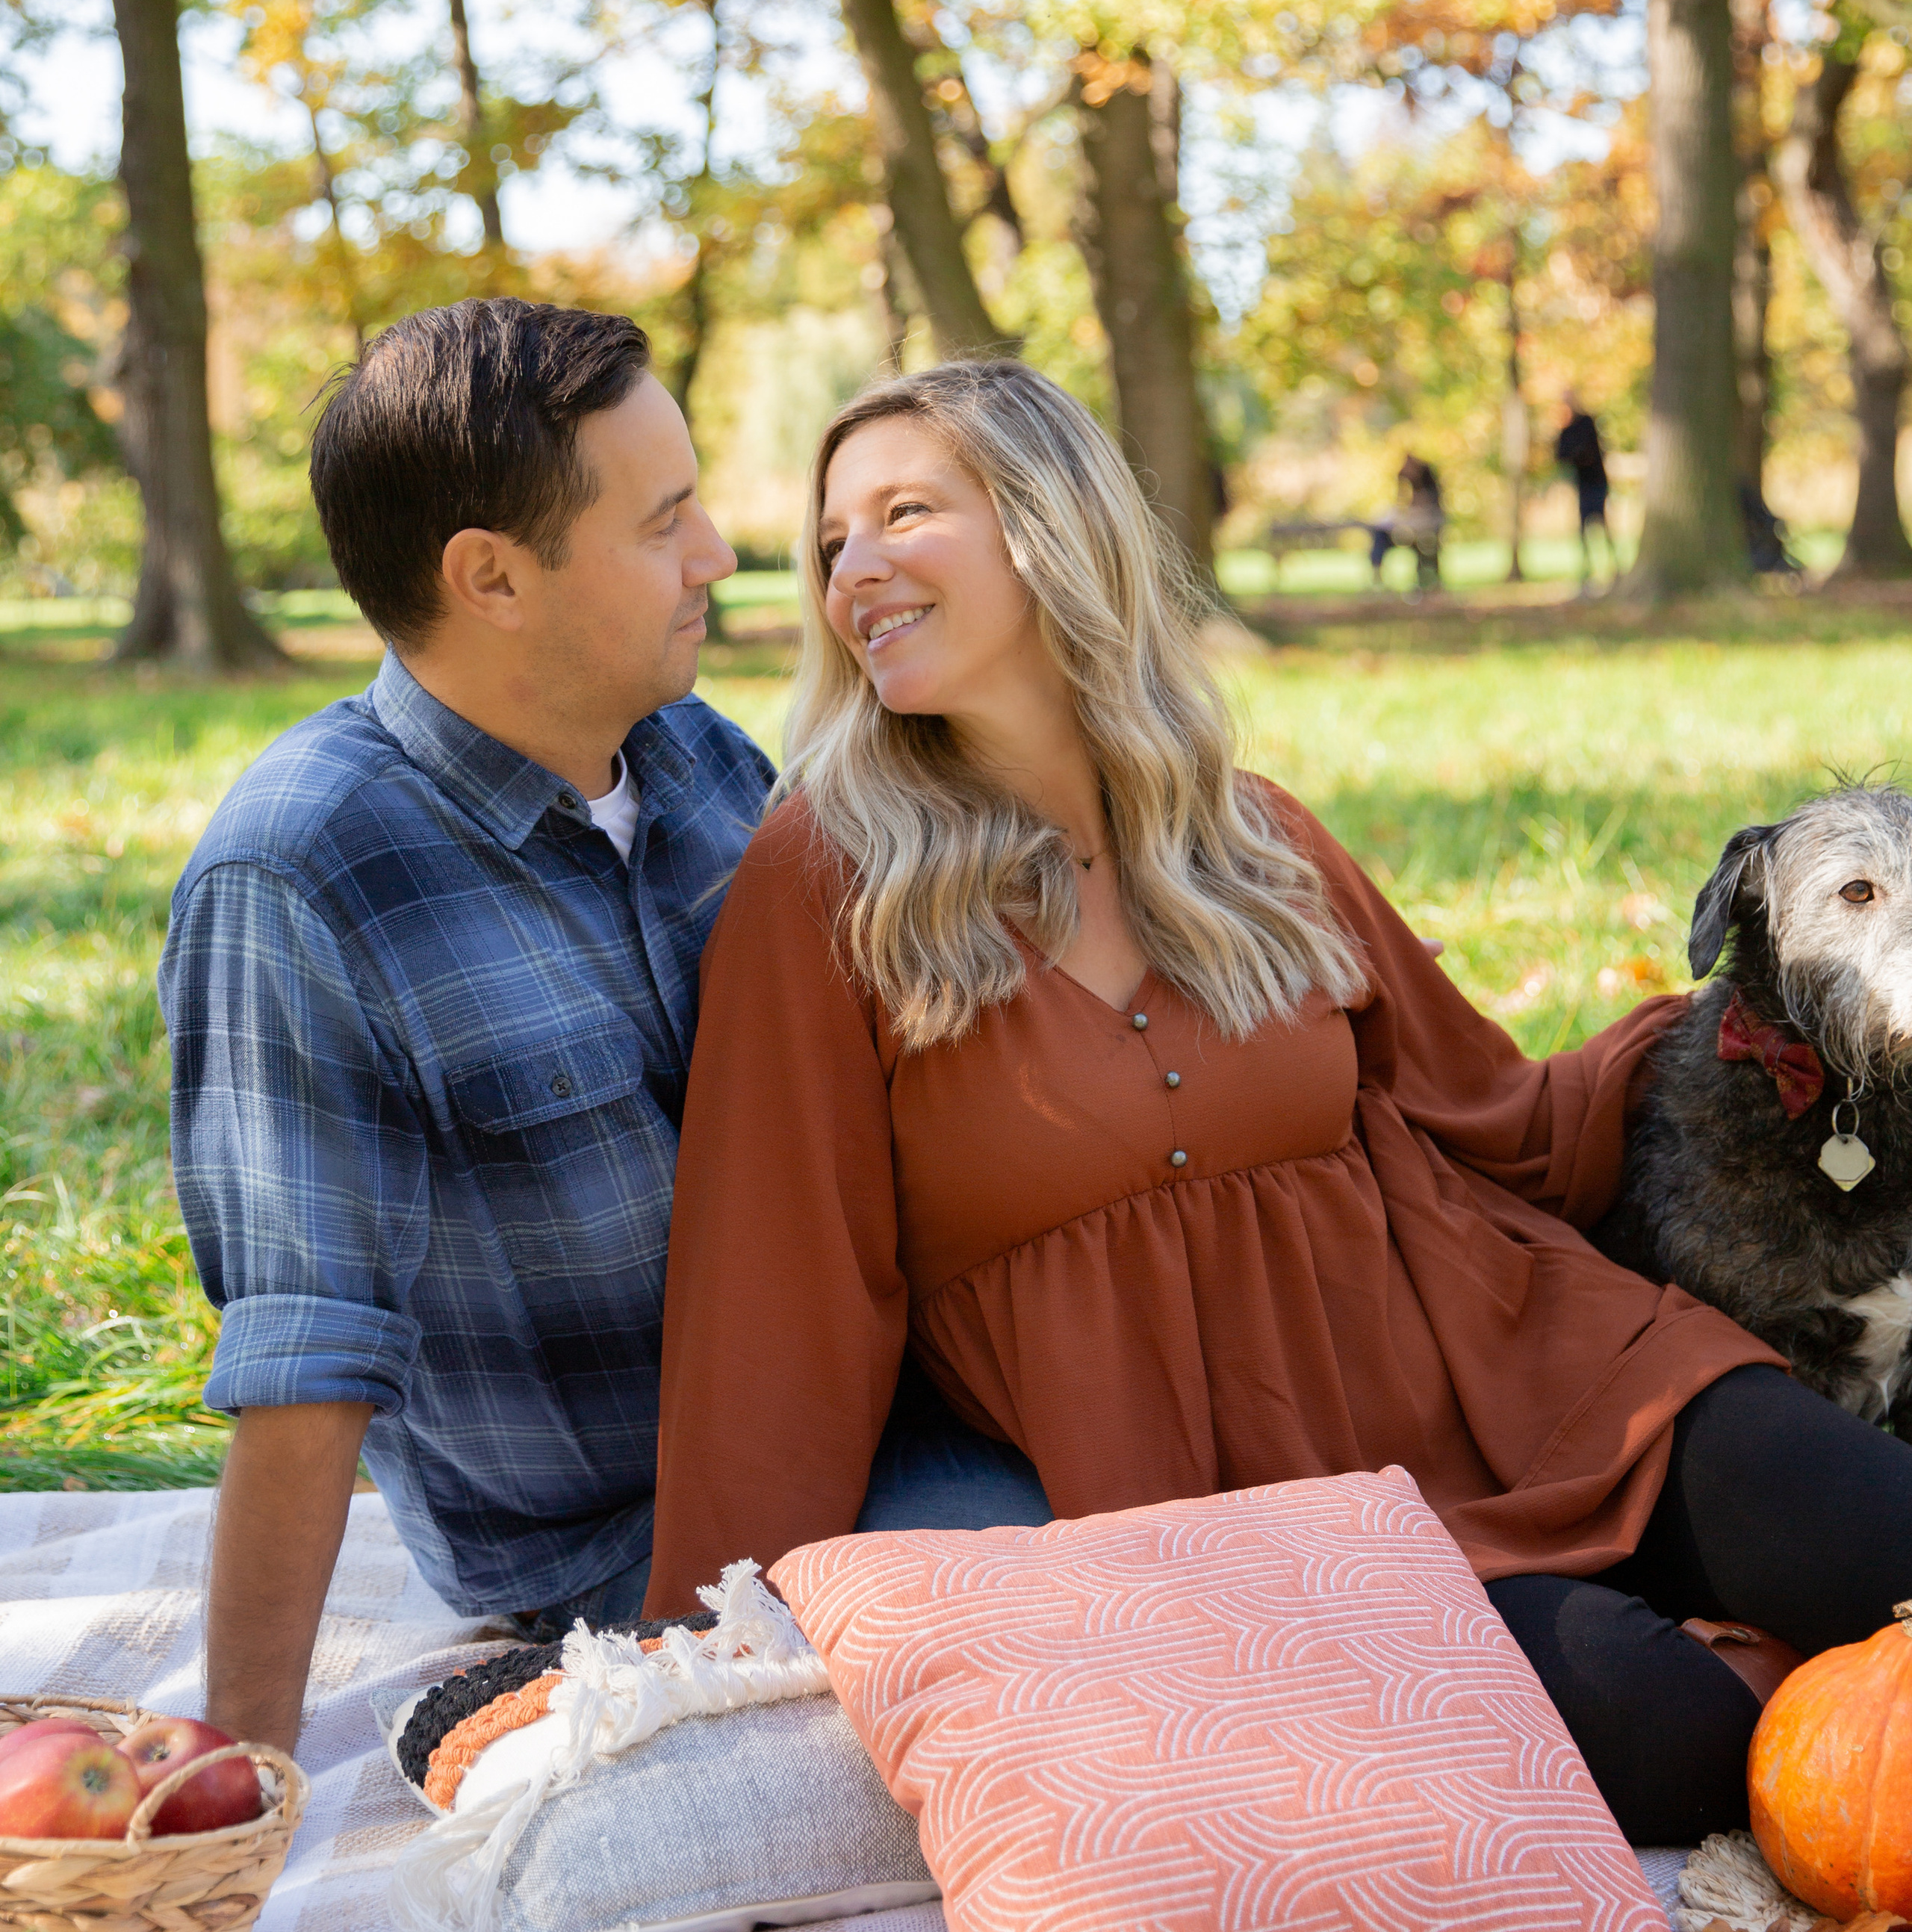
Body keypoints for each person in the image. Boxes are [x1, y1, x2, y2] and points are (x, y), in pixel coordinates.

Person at [645, 358, 1912, 1845]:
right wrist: (700, 1661)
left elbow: (1491, 1114)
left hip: (1530, 1372)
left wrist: (1746, 1026)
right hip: (1278, 1538)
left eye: (903, 513)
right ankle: (1729, 1655)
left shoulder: (1243, 836)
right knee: (1681, 1747)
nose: (852, 570)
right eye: (828, 540)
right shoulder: (826, 889)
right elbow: (780, 1299)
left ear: (1049, 527)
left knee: (1872, 1537)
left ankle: (1756, 1612)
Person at [159, 298, 775, 1759]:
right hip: (614, 1549)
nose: (718, 558)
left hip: (845, 1434)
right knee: (1075, 1604)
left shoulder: (705, 763)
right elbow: (307, 1346)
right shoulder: (303, 871)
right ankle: (544, 1721)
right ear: (491, 578)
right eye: (662, 523)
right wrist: (239, 1761)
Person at [1556, 396, 1614, 593]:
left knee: (1602, 526)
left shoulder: (1586, 423)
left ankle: (1614, 570)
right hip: (1582, 486)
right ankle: (1587, 573)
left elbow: (1591, 452)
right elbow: (1561, 455)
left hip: (1596, 483)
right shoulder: (1565, 429)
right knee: (1584, 531)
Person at [1391, 454, 1444, 593]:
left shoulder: (1427, 476)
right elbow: (1401, 500)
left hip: (1430, 523)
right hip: (1416, 525)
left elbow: (1431, 502)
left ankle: (1432, 581)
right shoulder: (1406, 478)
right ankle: (1422, 581)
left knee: (1428, 547)